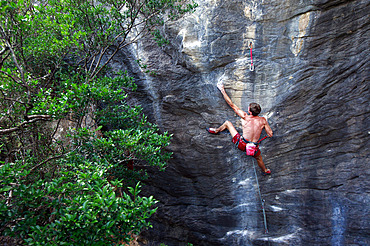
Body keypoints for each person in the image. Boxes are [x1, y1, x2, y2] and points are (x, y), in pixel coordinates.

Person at [207, 80, 273, 175]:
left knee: (227, 123)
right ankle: (265, 171)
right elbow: (270, 134)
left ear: (250, 112)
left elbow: (232, 105)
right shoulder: (263, 120)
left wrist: (222, 90)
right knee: (259, 158)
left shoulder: (245, 116)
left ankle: (216, 130)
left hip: (241, 144)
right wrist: (264, 125)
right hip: (253, 148)